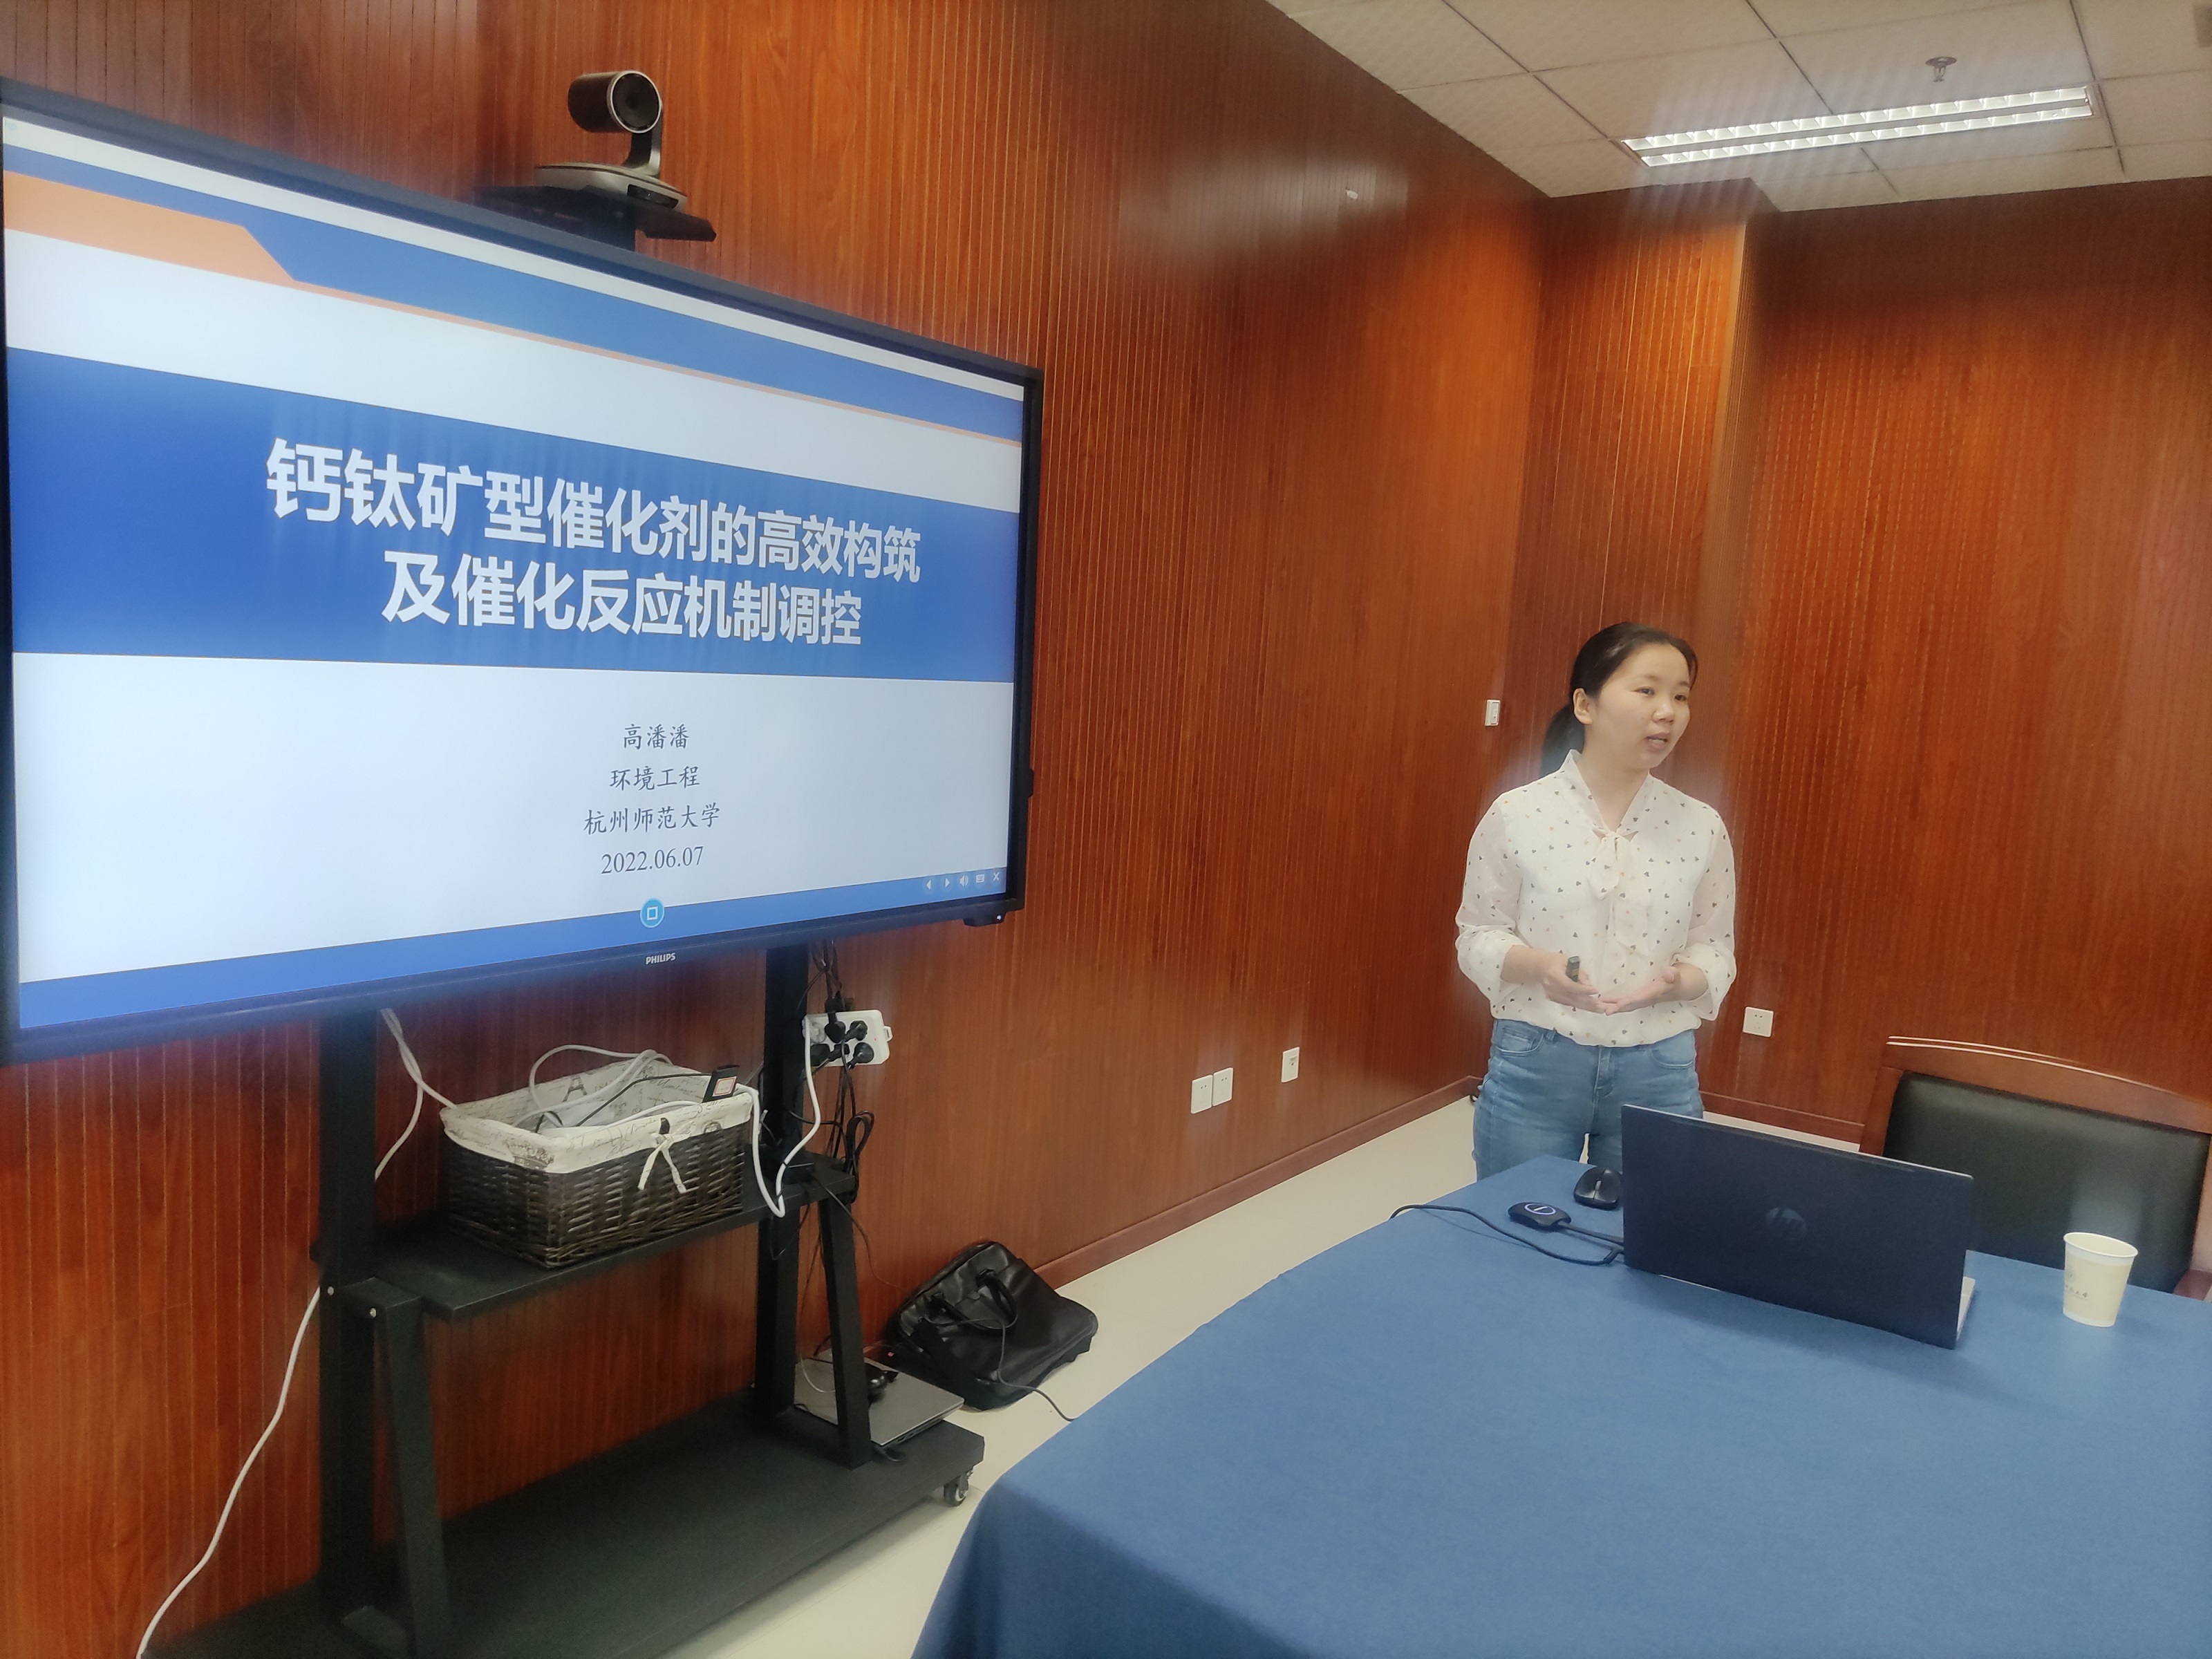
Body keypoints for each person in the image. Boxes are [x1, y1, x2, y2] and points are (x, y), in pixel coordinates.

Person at [1456, 622, 1736, 1177]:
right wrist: (1540, 967)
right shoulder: (1518, 813)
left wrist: (1681, 981)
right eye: (1647, 690)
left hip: (1659, 1068)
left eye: (1681, 696)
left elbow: (1715, 947)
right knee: (1517, 1220)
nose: (1667, 712)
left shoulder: (1700, 825)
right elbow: (1478, 936)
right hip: (1537, 1058)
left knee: (1646, 1226)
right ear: (1585, 704)